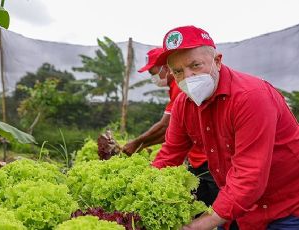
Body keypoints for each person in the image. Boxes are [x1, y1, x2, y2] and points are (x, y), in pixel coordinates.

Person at [151, 25, 299, 230]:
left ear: (217, 61)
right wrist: (144, 191)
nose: (188, 77)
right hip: (235, 207)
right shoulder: (183, 105)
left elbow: (250, 174)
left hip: (284, 209)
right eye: (178, 71)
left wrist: (201, 223)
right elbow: (170, 154)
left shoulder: (251, 97)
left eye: (195, 65)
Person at [123, 48, 219, 208]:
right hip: (197, 160)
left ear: (166, 68)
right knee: (202, 210)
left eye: (153, 72)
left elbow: (165, 126)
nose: (153, 78)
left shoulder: (182, 85)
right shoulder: (178, 88)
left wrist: (137, 144)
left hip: (209, 161)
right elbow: (173, 138)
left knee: (217, 214)